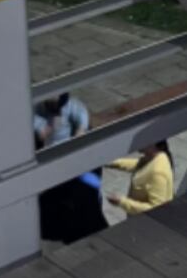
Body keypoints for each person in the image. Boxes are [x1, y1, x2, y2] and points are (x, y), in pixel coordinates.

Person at [33, 93, 107, 243]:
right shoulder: (39, 111)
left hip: (70, 157)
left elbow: (82, 120)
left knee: (84, 192)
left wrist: (80, 132)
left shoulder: (72, 107)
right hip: (53, 157)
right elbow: (36, 124)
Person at [106, 141, 173, 217]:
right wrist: (112, 163)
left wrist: (121, 202)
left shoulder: (157, 173)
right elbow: (140, 165)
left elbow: (156, 209)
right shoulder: (155, 157)